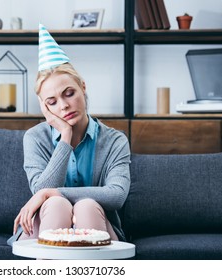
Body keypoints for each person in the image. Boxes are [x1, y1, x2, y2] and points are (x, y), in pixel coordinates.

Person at [8, 24, 131, 245]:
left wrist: (51, 192)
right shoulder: (35, 138)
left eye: (69, 93)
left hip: (98, 226)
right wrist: (65, 135)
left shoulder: (115, 140)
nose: (64, 106)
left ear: (83, 87)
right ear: (45, 108)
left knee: (86, 205)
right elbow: (40, 189)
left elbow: (117, 195)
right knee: (56, 204)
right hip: (44, 226)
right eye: (52, 102)